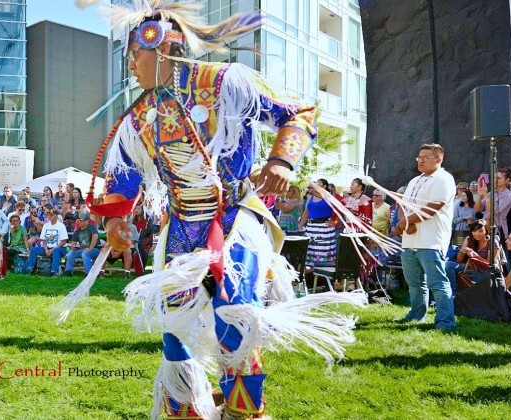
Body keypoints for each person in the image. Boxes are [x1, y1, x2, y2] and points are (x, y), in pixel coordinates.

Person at [64, 3, 365, 418]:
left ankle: (243, 412)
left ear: (161, 48)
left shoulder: (224, 83)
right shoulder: (140, 118)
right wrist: (116, 219)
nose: (131, 65)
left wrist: (280, 161)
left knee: (234, 319)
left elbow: (298, 113)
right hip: (181, 229)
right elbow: (125, 175)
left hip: (232, 221)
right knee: (175, 332)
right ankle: (186, 409)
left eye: (135, 54)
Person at [395, 143, 457, 331]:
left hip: (431, 241)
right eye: (419, 157)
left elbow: (432, 207)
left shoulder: (444, 179)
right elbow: (401, 204)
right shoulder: (415, 180)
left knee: (437, 283)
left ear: (439, 159)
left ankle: (445, 321)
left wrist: (404, 223)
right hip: (410, 240)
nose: (420, 161)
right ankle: (416, 314)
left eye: (425, 157)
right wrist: (404, 222)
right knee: (414, 283)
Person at [445, 220, 502, 292]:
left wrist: (476, 257)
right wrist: (463, 249)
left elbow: (490, 265)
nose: (477, 234)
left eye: (481, 231)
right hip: (471, 269)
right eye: (474, 231)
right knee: (448, 265)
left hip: (485, 275)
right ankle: (451, 294)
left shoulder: (492, 242)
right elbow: (459, 260)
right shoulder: (470, 239)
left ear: (486, 231)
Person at [299, 178, 337, 266]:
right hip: (311, 228)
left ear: (324, 186)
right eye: (315, 182)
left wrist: (335, 221)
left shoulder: (328, 196)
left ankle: (322, 275)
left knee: (322, 252)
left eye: (318, 183)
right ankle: (311, 275)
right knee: (311, 251)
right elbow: (306, 212)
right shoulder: (310, 197)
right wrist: (300, 225)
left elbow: (339, 210)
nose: (315, 184)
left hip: (324, 229)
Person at [26, 205, 67, 276]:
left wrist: (52, 250)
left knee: (56, 251)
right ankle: (30, 269)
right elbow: (43, 240)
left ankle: (54, 271)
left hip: (60, 248)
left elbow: (63, 242)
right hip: (47, 247)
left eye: (52, 215)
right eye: (49, 215)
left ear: (56, 216)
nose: (50, 217)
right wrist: (46, 249)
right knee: (34, 250)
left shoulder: (61, 226)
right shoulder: (46, 226)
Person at [64, 210, 101, 275]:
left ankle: (89, 273)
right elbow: (74, 242)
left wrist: (90, 248)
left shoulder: (91, 227)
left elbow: (95, 237)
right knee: (70, 253)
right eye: (79, 220)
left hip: (95, 249)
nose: (79, 222)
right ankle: (68, 271)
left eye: (82, 220)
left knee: (85, 253)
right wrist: (73, 246)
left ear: (87, 221)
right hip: (83, 249)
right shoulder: (77, 231)